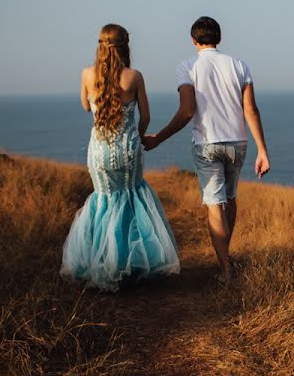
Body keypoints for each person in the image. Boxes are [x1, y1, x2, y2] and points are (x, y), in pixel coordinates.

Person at [142, 16, 270, 281]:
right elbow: (251, 110)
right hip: (238, 142)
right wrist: (262, 150)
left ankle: (225, 268)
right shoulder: (239, 65)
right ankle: (226, 257)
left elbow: (187, 111)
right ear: (219, 38)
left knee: (215, 204)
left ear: (193, 40)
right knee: (230, 198)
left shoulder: (187, 66)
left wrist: (158, 138)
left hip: (207, 143)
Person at [61, 24, 181, 291]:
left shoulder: (86, 74)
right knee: (130, 199)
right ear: (126, 46)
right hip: (128, 150)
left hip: (100, 151)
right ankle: (132, 264)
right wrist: (137, 136)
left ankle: (103, 263)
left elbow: (84, 106)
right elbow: (146, 116)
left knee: (104, 200)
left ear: (100, 46)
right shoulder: (134, 76)